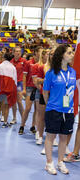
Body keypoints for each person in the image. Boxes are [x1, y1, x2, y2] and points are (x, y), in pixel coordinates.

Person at [43, 45, 76, 175]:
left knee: (63, 138)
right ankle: (49, 163)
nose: (72, 54)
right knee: (51, 137)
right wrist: (50, 106)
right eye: (69, 52)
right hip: (54, 110)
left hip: (68, 110)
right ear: (62, 55)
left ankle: (60, 162)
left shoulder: (72, 72)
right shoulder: (51, 73)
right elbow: (45, 92)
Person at [19, 46, 43, 135]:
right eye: (40, 51)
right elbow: (24, 76)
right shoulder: (28, 62)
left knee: (37, 109)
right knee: (28, 108)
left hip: (38, 88)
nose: (41, 53)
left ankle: (33, 126)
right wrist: (24, 88)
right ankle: (22, 125)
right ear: (36, 52)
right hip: (29, 87)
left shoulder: (42, 64)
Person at [0, 52, 17, 127]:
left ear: (4, 58)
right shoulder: (13, 67)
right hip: (9, 89)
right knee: (6, 106)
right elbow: (15, 80)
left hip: (0, 89)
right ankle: (5, 122)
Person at [10, 46, 25, 125]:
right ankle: (14, 118)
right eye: (16, 51)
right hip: (12, 83)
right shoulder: (11, 62)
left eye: (19, 51)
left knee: (19, 101)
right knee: (13, 102)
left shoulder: (24, 61)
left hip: (20, 83)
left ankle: (23, 118)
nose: (18, 52)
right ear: (13, 52)